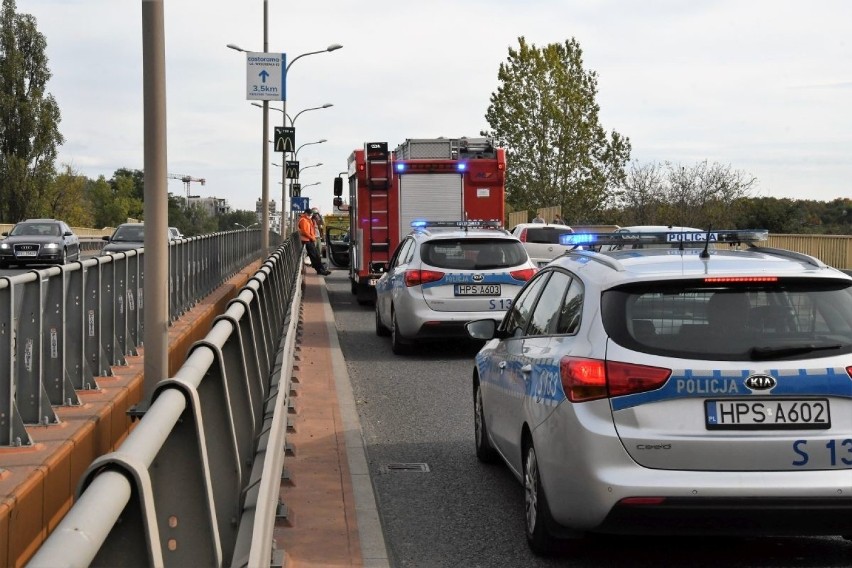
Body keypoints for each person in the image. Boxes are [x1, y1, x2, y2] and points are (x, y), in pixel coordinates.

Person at [298, 209, 331, 275]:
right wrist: (312, 237)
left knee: (316, 256)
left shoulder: (307, 220)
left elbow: (316, 226)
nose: (310, 216)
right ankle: (320, 270)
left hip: (310, 240)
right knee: (314, 257)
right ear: (306, 214)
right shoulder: (303, 220)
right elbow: (305, 232)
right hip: (307, 240)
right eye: (310, 215)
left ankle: (321, 269)